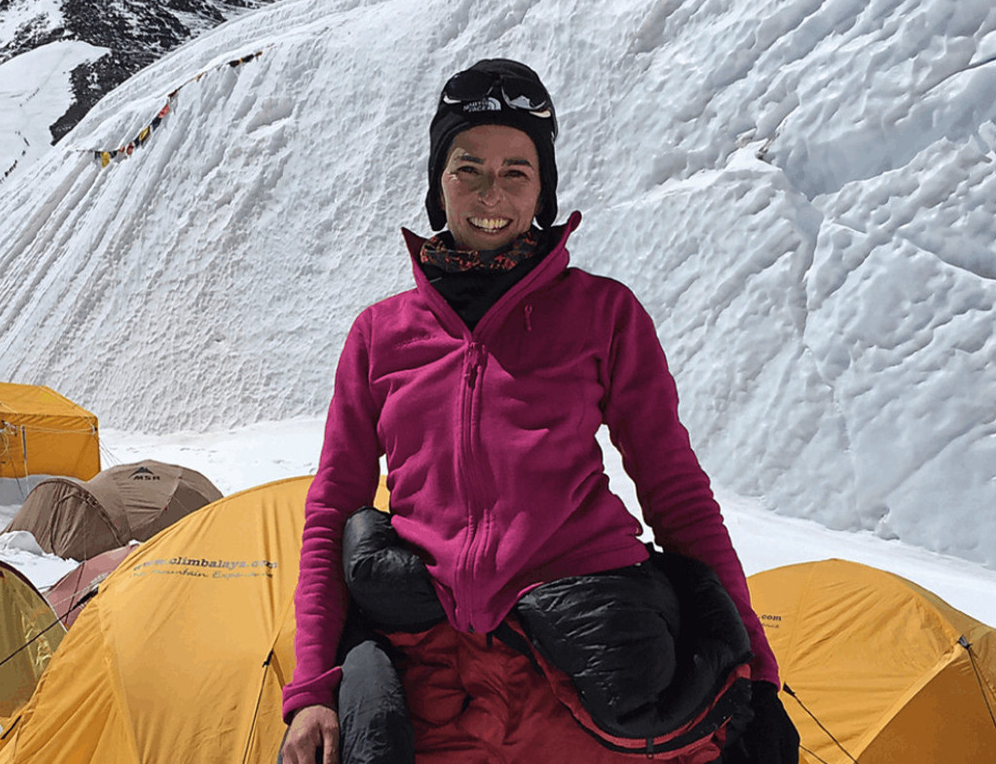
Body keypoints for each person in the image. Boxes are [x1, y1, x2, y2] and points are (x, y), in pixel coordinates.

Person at [279, 58, 799, 764]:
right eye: (468, 167)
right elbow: (331, 511)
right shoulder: (379, 335)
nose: (490, 191)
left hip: (592, 664)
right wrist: (310, 686)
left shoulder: (603, 314)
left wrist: (758, 677)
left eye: (516, 171)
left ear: (541, 188)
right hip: (434, 674)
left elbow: (676, 494)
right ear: (439, 183)